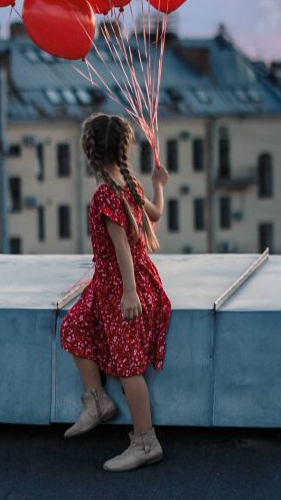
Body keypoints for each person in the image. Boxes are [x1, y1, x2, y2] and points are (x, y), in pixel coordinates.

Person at [59, 112, 172, 472]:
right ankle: (97, 401)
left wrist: (129, 293)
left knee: (128, 367)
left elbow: (122, 246)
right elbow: (154, 215)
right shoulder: (128, 185)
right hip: (114, 283)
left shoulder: (106, 196)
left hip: (124, 285)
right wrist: (160, 185)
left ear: (88, 150)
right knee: (74, 327)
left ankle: (145, 441)